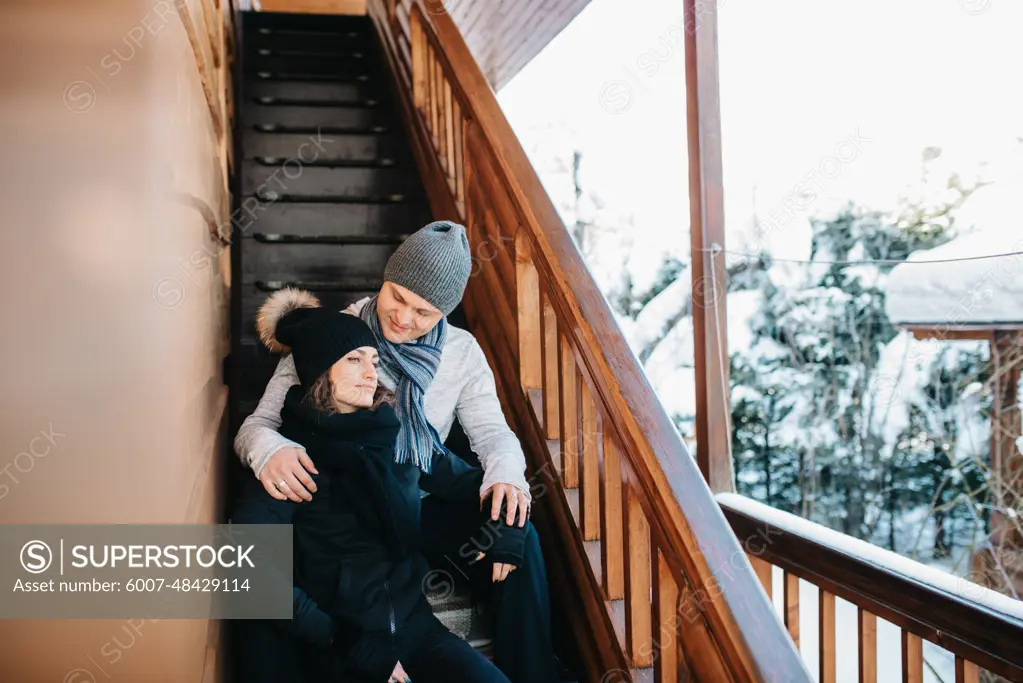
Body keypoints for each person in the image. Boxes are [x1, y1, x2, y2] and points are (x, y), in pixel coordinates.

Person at [234, 221, 560, 683]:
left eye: (423, 312)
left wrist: (506, 483)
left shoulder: (462, 352)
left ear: (444, 313)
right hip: (353, 518)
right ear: (384, 279)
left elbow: (492, 435)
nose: (403, 319)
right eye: (397, 297)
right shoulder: (331, 337)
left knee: (516, 532)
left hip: (418, 500)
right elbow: (259, 425)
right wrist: (271, 450)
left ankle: (533, 673)